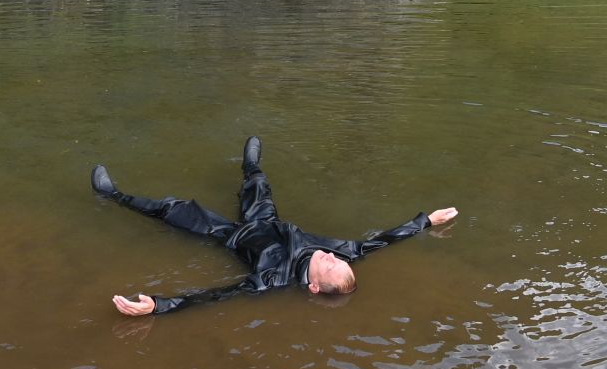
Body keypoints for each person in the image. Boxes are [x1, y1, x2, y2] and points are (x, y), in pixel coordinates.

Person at [95, 135, 457, 315]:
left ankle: (113, 196)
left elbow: (216, 294)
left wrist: (160, 305)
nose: (331, 255)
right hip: (264, 219)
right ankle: (250, 164)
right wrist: (425, 221)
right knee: (258, 183)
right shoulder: (342, 254)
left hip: (228, 235)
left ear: (313, 287)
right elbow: (382, 241)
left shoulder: (274, 279)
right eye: (337, 258)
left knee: (172, 208)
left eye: (329, 264)